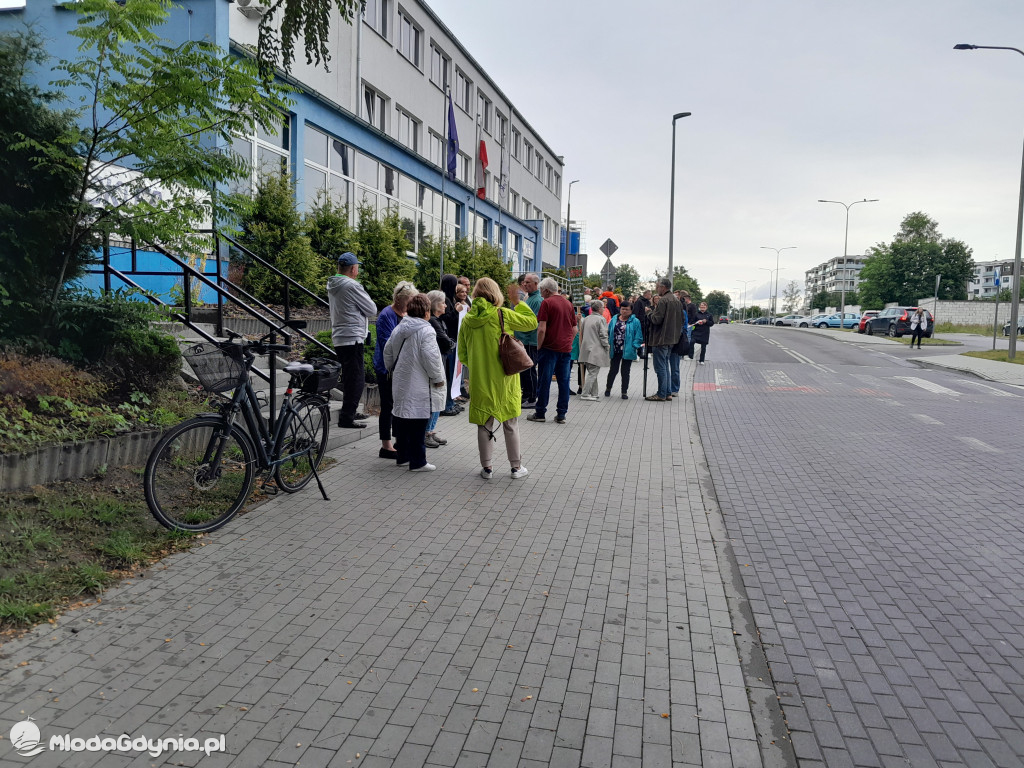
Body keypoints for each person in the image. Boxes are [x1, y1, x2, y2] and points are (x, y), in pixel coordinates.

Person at [457, 277, 538, 480]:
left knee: (484, 424)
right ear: (495, 294)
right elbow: (531, 323)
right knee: (510, 423)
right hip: (505, 378)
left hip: (480, 380)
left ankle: (487, 468)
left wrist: (477, 365)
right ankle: (516, 468)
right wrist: (519, 303)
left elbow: (463, 354)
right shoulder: (502, 314)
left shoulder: (468, 319)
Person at [383, 294, 447, 472]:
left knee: (402, 418)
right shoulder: (426, 331)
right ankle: (418, 461)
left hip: (401, 380)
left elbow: (387, 351)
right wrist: (438, 379)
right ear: (426, 311)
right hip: (419, 383)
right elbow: (432, 359)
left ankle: (402, 456)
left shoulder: (400, 327)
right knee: (419, 421)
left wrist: (392, 369)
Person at [327, 252, 378, 429]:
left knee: (350, 377)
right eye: (357, 268)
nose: (358, 271)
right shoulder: (351, 285)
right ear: (353, 268)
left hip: (341, 335)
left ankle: (350, 410)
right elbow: (371, 309)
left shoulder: (333, 283)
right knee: (356, 378)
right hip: (352, 337)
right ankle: (347, 417)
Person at [373, 281, 418, 459]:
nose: (411, 304)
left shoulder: (406, 313)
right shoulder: (386, 315)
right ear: (399, 300)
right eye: (409, 301)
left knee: (400, 405)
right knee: (388, 405)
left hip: (402, 368)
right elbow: (388, 344)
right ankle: (386, 446)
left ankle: (400, 441)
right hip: (387, 368)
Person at [528, 277, 578, 424]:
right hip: (565, 349)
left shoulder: (547, 303)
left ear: (547, 290)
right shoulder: (568, 304)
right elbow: (575, 329)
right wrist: (568, 342)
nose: (541, 294)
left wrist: (538, 346)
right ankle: (561, 414)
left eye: (542, 291)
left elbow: (541, 329)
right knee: (564, 382)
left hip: (549, 348)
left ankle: (540, 412)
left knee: (544, 381)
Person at [645, 277, 683, 401]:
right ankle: (667, 393)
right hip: (672, 338)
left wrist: (649, 313)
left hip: (661, 338)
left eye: (657, 287)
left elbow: (657, 319)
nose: (656, 289)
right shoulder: (676, 301)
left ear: (663, 287)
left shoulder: (663, 301)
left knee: (660, 367)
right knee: (665, 366)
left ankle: (661, 394)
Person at [425, 290, 454, 448]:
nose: (445, 305)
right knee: (435, 398)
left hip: (440, 361)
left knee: (438, 397)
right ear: (436, 304)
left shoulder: (438, 320)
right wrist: (451, 343)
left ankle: (430, 430)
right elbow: (445, 341)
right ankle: (427, 431)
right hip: (436, 364)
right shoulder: (434, 321)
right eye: (443, 302)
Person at [514, 273, 542, 408]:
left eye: (528, 282)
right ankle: (526, 395)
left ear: (536, 284)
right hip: (524, 339)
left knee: (529, 369)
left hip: (530, 340)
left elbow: (533, 322)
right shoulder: (528, 298)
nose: (525, 284)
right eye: (524, 282)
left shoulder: (536, 300)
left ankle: (531, 398)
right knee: (525, 370)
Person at [606, 302, 643, 399]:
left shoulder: (635, 321)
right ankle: (608, 388)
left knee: (625, 371)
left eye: (627, 309)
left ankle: (624, 392)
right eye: (622, 309)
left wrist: (634, 346)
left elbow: (638, 336)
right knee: (613, 370)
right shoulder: (614, 318)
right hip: (615, 348)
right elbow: (609, 331)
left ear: (631, 311)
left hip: (628, 349)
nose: (624, 311)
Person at [438, 274, 462, 416]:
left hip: (453, 339)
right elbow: (446, 319)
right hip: (449, 340)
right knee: (449, 373)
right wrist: (456, 311)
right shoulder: (445, 299)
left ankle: (451, 402)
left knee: (453, 374)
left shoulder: (450, 298)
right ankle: (447, 404)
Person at [577, 300, 610, 400]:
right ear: (600, 308)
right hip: (596, 349)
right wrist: (607, 346)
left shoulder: (586, 318)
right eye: (603, 307)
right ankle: (585, 394)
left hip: (586, 348)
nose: (603, 309)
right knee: (593, 373)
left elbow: (581, 332)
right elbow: (603, 335)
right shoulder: (601, 319)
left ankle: (594, 393)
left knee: (592, 371)